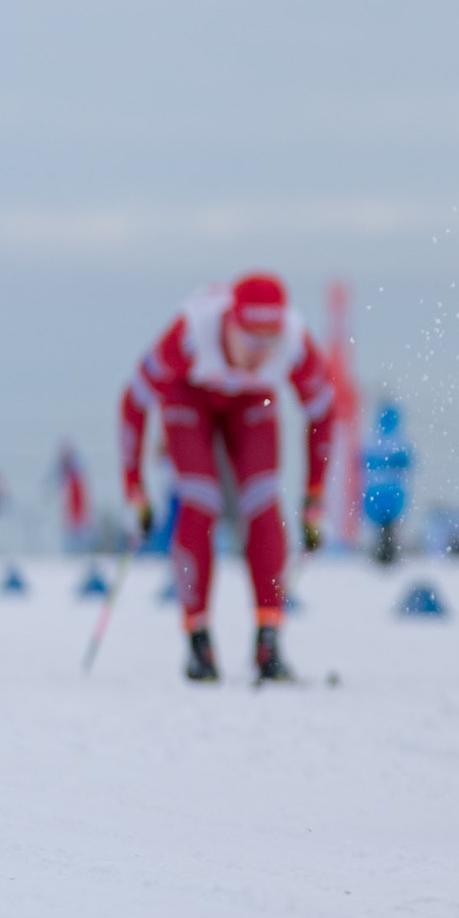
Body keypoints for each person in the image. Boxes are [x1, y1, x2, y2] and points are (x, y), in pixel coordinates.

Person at [117, 273, 335, 683]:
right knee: (201, 499)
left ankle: (269, 640)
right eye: (251, 340)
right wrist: (134, 487)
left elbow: (323, 412)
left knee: (263, 499)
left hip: (252, 401)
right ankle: (199, 643)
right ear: (231, 324)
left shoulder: (293, 343)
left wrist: (314, 496)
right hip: (189, 396)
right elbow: (133, 402)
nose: (260, 353)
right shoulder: (188, 335)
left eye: (269, 342)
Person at [361, 402, 414, 565]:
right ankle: (389, 553)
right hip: (393, 493)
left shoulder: (372, 439)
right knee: (390, 527)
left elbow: (363, 461)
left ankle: (382, 553)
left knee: (381, 529)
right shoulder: (400, 441)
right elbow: (407, 463)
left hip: (375, 493)